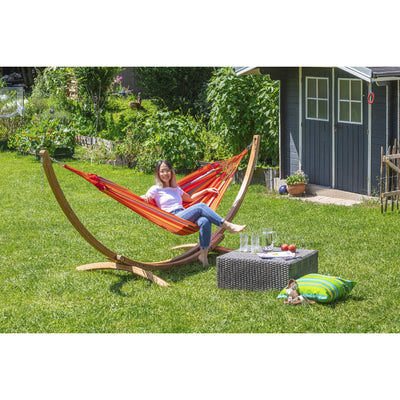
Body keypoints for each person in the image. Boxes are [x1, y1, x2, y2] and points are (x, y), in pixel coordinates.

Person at [141, 160, 247, 266]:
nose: (165, 173)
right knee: (201, 206)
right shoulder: (155, 189)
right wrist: (144, 197)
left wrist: (205, 190)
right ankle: (228, 225)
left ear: (171, 172)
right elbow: (146, 197)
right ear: (158, 174)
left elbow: (190, 198)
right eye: (162, 171)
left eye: (167, 170)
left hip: (184, 214)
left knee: (205, 221)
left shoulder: (176, 188)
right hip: (172, 218)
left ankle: (203, 255)